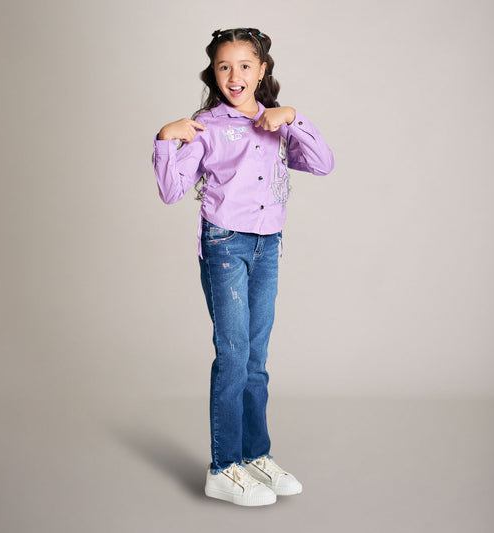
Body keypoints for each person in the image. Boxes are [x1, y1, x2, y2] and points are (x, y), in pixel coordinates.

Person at [152, 27, 334, 506]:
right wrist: (166, 139)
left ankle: (255, 455)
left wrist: (292, 116)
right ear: (214, 72)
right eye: (224, 66)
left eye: (245, 65)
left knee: (256, 361)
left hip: (268, 245)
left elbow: (322, 163)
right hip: (225, 246)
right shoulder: (206, 127)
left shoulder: (274, 122)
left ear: (262, 69)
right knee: (233, 357)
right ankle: (223, 467)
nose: (234, 75)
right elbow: (171, 191)